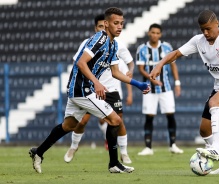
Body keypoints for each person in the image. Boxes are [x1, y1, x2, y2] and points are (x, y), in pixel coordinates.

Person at [29, 7, 150, 174]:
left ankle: (38, 152)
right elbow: (81, 62)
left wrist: (138, 84)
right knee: (115, 120)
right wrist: (97, 83)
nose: (120, 26)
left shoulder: (113, 45)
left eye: (122, 23)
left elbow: (115, 72)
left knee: (69, 125)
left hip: (82, 89)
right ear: (106, 24)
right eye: (116, 23)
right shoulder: (99, 39)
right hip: (82, 89)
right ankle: (114, 163)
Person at [149, 10, 219, 174]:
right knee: (204, 129)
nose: (205, 33)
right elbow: (176, 53)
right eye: (202, 29)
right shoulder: (199, 41)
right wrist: (160, 64)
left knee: (214, 102)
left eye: (208, 29)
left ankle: (215, 149)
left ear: (217, 23)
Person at [64, 14, 134, 164]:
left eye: (105, 26)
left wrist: (131, 74)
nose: (103, 29)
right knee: (81, 122)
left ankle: (123, 153)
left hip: (112, 89)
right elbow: (79, 62)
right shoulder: (87, 43)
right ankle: (73, 147)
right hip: (91, 88)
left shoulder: (117, 44)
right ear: (96, 28)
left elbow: (128, 63)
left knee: (117, 121)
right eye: (100, 27)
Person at [136, 23, 184, 156]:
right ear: (148, 33)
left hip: (166, 87)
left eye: (157, 33)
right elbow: (140, 69)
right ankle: (148, 147)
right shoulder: (142, 49)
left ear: (160, 34)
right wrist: (152, 79)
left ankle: (173, 145)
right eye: (153, 32)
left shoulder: (167, 47)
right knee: (149, 116)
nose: (155, 35)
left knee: (170, 114)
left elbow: (173, 66)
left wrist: (178, 83)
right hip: (149, 88)